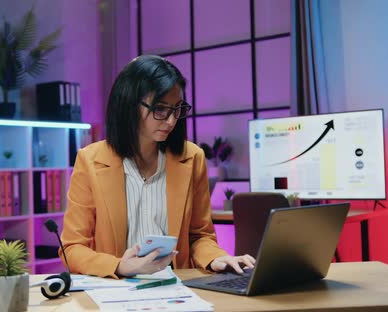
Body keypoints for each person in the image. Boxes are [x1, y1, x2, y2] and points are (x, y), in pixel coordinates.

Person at [61, 55, 255, 278]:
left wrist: (215, 257)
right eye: (161, 110)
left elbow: (199, 236)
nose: (171, 121)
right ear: (129, 106)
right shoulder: (90, 160)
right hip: (116, 289)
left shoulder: (192, 158)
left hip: (176, 290)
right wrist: (120, 266)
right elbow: (72, 248)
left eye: (177, 109)